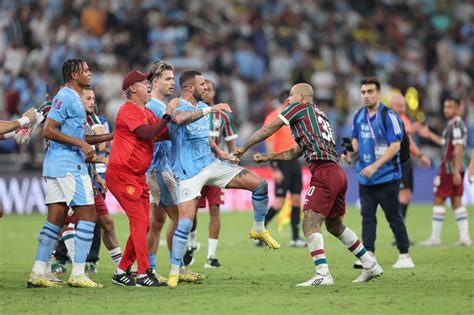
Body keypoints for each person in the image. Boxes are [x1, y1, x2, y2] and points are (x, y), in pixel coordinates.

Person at [234, 83, 382, 286]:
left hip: (324, 172)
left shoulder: (299, 108)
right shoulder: (319, 115)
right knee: (335, 225)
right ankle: (370, 264)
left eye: (291, 96)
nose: (288, 100)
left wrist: (244, 147)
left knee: (310, 222)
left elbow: (270, 127)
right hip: (336, 172)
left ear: (302, 97)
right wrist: (270, 156)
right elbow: (297, 151)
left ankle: (323, 274)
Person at [166, 70, 280, 288]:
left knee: (260, 185)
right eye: (202, 84)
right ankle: (174, 271)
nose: (206, 88)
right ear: (189, 87)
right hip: (189, 173)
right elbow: (179, 119)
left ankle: (258, 228)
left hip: (212, 165)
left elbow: (205, 136)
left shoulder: (201, 108)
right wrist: (212, 108)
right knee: (186, 222)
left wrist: (222, 153)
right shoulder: (176, 104)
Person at [27, 58, 113, 288]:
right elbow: (49, 130)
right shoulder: (66, 97)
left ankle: (37, 271)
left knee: (55, 220)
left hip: (57, 164)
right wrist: (81, 145)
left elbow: (79, 137)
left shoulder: (72, 98)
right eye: (85, 70)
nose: (89, 73)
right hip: (69, 166)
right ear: (74, 75)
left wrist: (111, 136)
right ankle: (78, 273)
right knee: (88, 215)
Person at [107, 69, 179, 287]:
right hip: (123, 174)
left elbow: (160, 132)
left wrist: (181, 125)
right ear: (132, 88)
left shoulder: (145, 112)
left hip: (138, 175)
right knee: (140, 222)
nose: (148, 85)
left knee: (144, 224)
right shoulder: (128, 110)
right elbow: (148, 134)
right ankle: (143, 273)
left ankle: (121, 271)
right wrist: (167, 115)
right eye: (143, 82)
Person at [343, 77, 414, 269]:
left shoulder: (389, 116)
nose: (366, 95)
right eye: (363, 92)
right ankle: (369, 255)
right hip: (365, 177)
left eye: (370, 91)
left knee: (393, 216)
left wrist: (375, 165)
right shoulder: (358, 115)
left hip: (387, 176)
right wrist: (349, 153)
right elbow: (356, 140)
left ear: (379, 93)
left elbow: (395, 146)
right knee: (367, 217)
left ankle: (404, 254)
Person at [52, 86, 122, 274]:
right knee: (65, 222)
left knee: (106, 221)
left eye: (93, 98)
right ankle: (55, 262)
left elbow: (94, 145)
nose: (93, 101)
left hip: (87, 176)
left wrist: (97, 175)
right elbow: (85, 147)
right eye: (88, 98)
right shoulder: (67, 119)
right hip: (68, 175)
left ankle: (121, 268)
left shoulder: (88, 119)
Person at [184, 79, 240, 268]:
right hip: (195, 169)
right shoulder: (191, 113)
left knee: (215, 209)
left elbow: (231, 142)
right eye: (203, 88)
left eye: (209, 89)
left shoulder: (222, 117)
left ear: (214, 93)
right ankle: (191, 244)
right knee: (192, 210)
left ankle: (211, 256)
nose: (206, 92)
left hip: (215, 167)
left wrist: (233, 157)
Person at [416, 97, 472, 246]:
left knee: (438, 199)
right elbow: (446, 143)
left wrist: (454, 171)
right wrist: (430, 135)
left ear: (459, 108)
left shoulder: (456, 124)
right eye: (445, 107)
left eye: (450, 107)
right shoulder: (455, 125)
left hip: (449, 169)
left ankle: (435, 238)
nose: (446, 110)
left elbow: (459, 147)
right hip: (454, 168)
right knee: (456, 201)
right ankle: (465, 238)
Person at [144, 60, 179, 283]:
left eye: (173, 79)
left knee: (157, 223)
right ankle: (179, 267)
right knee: (182, 219)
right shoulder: (154, 107)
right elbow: (162, 135)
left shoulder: (161, 106)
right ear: (155, 82)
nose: (172, 83)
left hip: (160, 169)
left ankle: (150, 268)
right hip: (159, 169)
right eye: (167, 79)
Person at [261, 89, 304, 247]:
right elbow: (269, 144)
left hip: (294, 162)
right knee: (279, 203)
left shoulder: (293, 119)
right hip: (280, 163)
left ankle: (295, 238)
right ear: (287, 101)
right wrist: (274, 168)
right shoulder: (273, 118)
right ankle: (259, 231)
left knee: (296, 199)